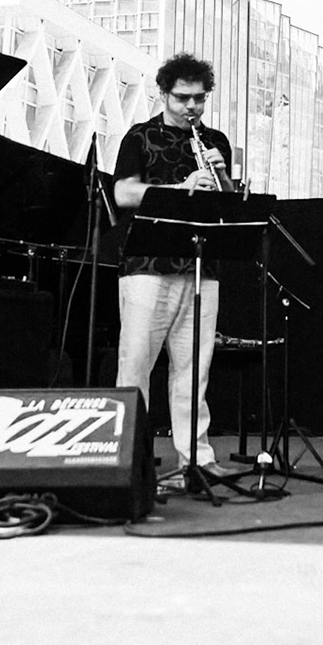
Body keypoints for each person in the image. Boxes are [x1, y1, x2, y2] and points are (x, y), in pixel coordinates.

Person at [111, 54, 241, 492]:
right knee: (136, 367)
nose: (192, 107)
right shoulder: (140, 136)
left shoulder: (214, 140)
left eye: (199, 99)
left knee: (193, 370)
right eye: (183, 98)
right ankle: (131, 461)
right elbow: (123, 192)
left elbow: (230, 209)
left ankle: (197, 460)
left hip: (202, 268)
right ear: (163, 94)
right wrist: (178, 190)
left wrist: (223, 180)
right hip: (147, 267)